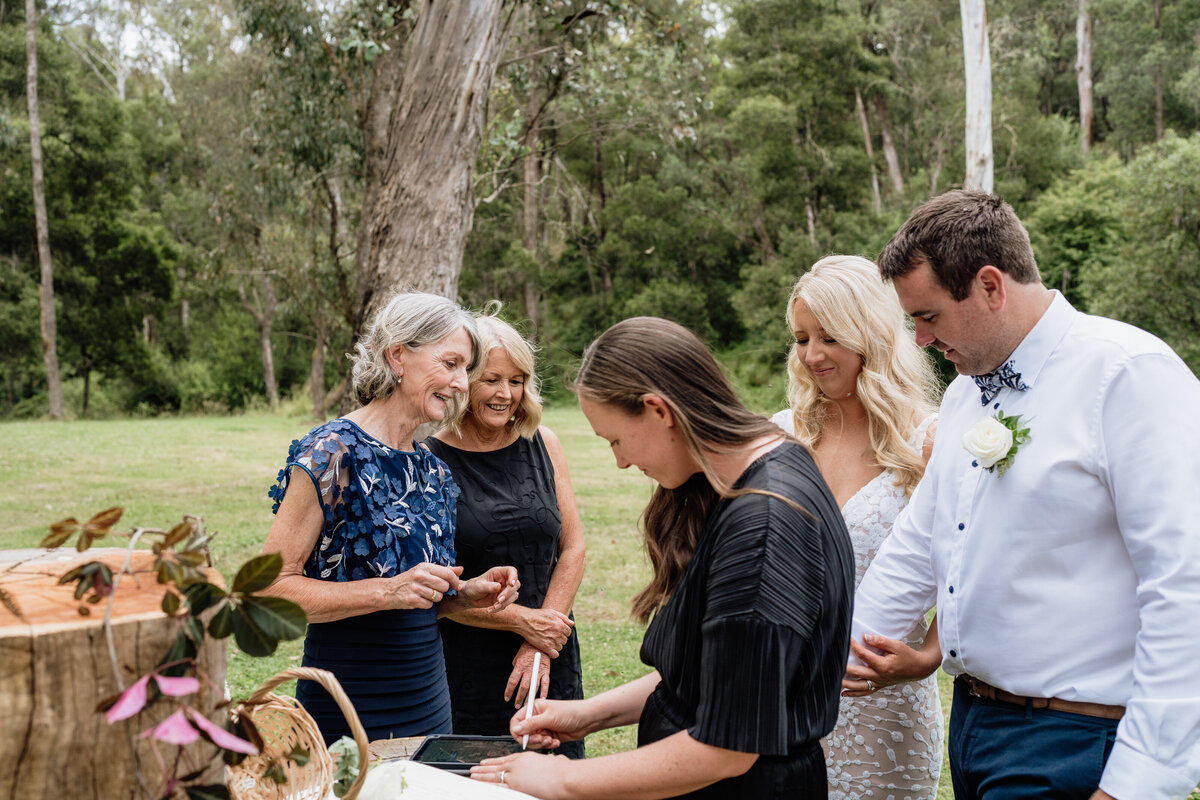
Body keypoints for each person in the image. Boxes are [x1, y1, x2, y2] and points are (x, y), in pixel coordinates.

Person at [851, 189, 1200, 800]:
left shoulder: (1128, 375)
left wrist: (1140, 782)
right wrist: (840, 654)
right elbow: (917, 543)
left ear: (990, 285)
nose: (922, 340)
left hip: (1079, 739)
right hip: (977, 725)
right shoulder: (965, 393)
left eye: (929, 316)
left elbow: (1183, 583)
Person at [469, 316, 856, 799]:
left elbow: (728, 748)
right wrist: (591, 715)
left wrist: (562, 778)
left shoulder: (761, 528)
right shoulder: (772, 460)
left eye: (615, 439)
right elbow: (713, 676)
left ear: (658, 410)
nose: (621, 461)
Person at [261, 292, 520, 744]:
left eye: (465, 369)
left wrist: (464, 595)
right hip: (348, 706)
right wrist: (387, 590)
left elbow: (416, 604)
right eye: (451, 363)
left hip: (429, 705)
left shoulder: (433, 471)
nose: (462, 384)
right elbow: (268, 590)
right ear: (398, 355)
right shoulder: (332, 454)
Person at [771, 255, 944, 799]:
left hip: (885, 708)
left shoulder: (929, 440)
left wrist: (927, 658)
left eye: (829, 337)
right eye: (801, 339)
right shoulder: (782, 436)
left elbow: (973, 567)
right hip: (784, 700)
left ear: (869, 333)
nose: (812, 355)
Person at [425, 308, 587, 758]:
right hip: (469, 661)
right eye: (492, 379)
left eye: (516, 380)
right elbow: (437, 589)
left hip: (551, 652)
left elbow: (572, 548)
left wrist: (541, 642)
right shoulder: (429, 458)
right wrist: (522, 623)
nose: (506, 394)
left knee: (557, 781)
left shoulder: (543, 442)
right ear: (464, 381)